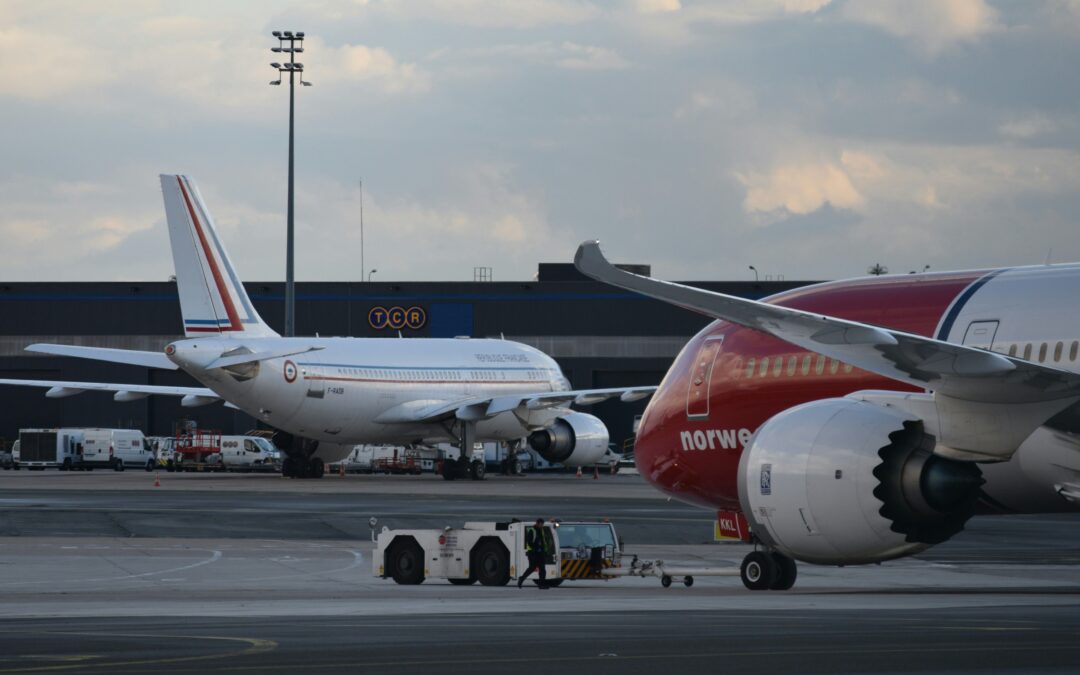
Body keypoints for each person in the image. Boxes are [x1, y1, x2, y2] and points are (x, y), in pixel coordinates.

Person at [517, 518, 554, 589]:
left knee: (542, 569)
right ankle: (521, 578)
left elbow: (543, 542)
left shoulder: (541, 530)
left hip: (540, 553)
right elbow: (529, 542)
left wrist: (545, 551)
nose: (542, 525)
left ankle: (541, 584)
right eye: (541, 524)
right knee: (532, 568)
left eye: (542, 524)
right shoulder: (532, 530)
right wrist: (536, 548)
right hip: (533, 553)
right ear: (537, 523)